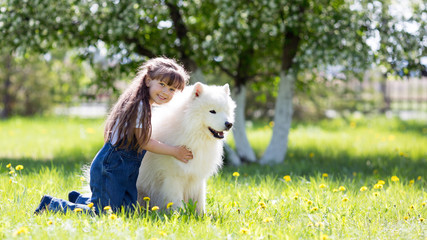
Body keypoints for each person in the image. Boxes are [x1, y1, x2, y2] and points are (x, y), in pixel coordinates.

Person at [34, 57, 193, 215]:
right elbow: (144, 142)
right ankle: (51, 205)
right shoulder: (139, 106)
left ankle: (81, 201)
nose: (166, 92)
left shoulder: (146, 106)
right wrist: (174, 151)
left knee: (127, 210)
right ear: (148, 81)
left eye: (172, 89)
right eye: (162, 84)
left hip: (127, 165)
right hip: (113, 164)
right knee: (103, 213)